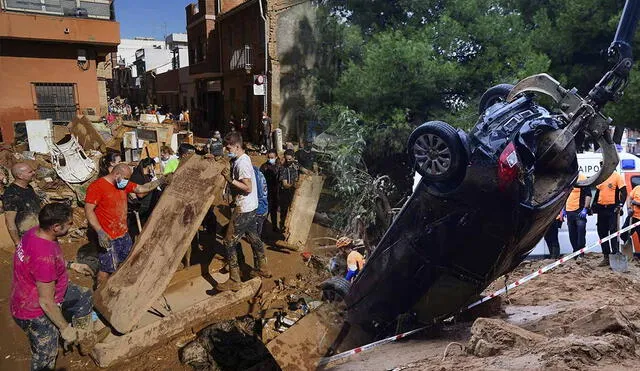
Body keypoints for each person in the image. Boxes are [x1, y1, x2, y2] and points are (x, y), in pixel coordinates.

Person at [11, 203, 97, 370]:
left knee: (83, 296)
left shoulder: (34, 232)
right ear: (56, 227)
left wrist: (72, 265)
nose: (72, 226)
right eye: (69, 223)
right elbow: (46, 302)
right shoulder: (44, 257)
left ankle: (84, 340)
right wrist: (65, 328)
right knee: (46, 354)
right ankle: (67, 336)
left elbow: (47, 262)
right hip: (33, 310)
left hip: (42, 290)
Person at [85, 163, 170, 286]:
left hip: (123, 233)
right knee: (106, 268)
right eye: (125, 178)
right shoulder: (97, 187)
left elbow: (141, 189)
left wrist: (160, 181)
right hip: (107, 236)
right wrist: (100, 232)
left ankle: (118, 287)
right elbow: (89, 211)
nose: (126, 181)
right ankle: (100, 293)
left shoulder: (122, 184)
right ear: (116, 174)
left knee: (126, 262)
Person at [217, 132, 271, 291]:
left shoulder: (242, 164)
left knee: (228, 242)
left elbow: (248, 187)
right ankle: (263, 267)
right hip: (251, 206)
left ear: (237, 146)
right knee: (253, 236)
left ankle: (234, 279)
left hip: (244, 208)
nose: (227, 150)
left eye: (229, 148)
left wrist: (230, 180)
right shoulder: (243, 158)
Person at [593, 169, 627, 266]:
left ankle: (615, 253)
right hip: (601, 209)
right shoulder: (601, 177)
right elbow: (597, 192)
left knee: (613, 232)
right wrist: (593, 206)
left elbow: (624, 192)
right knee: (602, 232)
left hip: (612, 209)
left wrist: (620, 205)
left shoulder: (617, 176)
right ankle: (606, 256)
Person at [4, 163, 41, 247]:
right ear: (20, 176)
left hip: (38, 234)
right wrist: (18, 243)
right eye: (30, 172)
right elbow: (10, 222)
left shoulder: (29, 188)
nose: (33, 173)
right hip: (27, 238)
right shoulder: (12, 194)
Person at [128, 158, 160, 238]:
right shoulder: (137, 176)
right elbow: (140, 194)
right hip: (141, 208)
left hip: (148, 208)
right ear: (150, 166)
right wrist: (151, 187)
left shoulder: (148, 176)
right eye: (154, 167)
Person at [565, 174, 592, 254]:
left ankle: (581, 252)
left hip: (579, 211)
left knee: (581, 232)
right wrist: (563, 209)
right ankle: (575, 252)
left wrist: (585, 208)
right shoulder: (567, 178)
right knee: (572, 233)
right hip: (569, 212)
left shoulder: (583, 178)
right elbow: (563, 196)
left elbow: (588, 195)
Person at [278, 149, 299, 232]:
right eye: (287, 159)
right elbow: (285, 184)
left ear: (293, 158)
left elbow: (302, 171)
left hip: (295, 193)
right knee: (284, 211)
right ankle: (282, 226)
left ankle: (292, 228)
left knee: (294, 210)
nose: (288, 161)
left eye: (290, 159)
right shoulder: (283, 169)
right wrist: (293, 185)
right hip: (285, 193)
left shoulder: (296, 165)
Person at [260, 149, 280, 232]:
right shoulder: (263, 166)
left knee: (274, 211)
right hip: (266, 192)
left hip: (276, 192)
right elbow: (260, 179)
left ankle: (275, 227)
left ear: (276, 157)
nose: (270, 159)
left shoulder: (279, 166)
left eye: (272, 157)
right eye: (268, 157)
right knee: (266, 211)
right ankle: (262, 230)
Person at [254, 165, 269, 237]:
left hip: (259, 208)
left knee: (256, 231)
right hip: (264, 206)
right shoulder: (259, 173)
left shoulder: (254, 176)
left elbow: (259, 194)